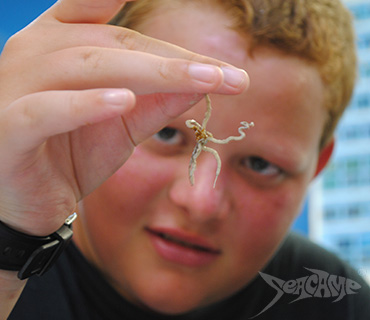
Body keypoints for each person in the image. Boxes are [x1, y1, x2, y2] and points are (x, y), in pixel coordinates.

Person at [0, 0, 369, 319]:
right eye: (164, 132)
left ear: (316, 169)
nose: (200, 203)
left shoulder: (337, 301)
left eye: (261, 165)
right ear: (82, 108)